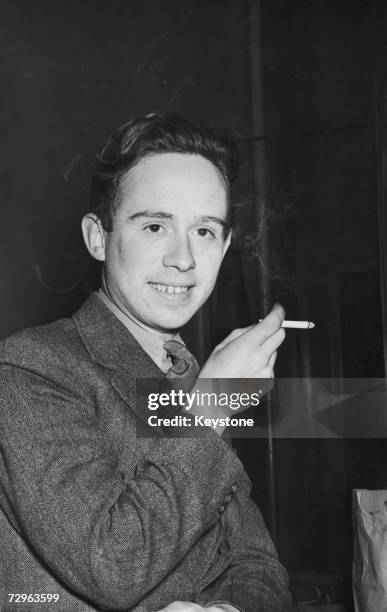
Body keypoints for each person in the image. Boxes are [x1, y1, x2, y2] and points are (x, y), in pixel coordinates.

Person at [0, 113, 290, 611]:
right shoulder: (30, 368)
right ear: (98, 237)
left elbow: (258, 564)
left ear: (223, 248)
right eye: (155, 225)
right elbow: (113, 565)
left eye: (204, 231)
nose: (184, 259)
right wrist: (211, 409)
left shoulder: (191, 378)